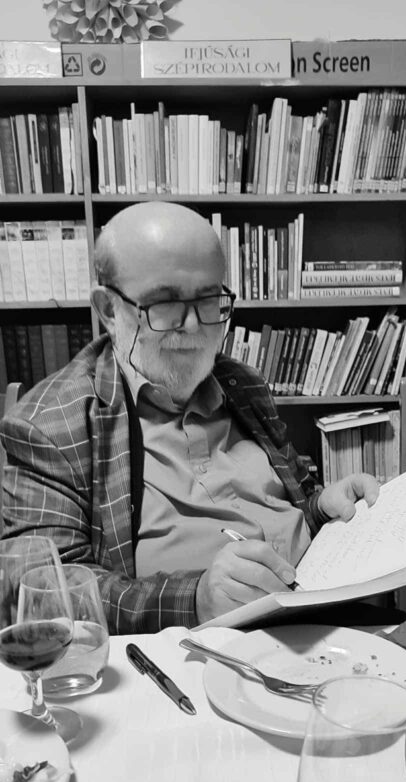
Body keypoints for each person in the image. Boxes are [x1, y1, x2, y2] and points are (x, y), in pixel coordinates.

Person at [0, 202, 379, 634]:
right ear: (108, 309)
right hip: (193, 651)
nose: (194, 326)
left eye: (208, 299)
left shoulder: (243, 385)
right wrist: (195, 600)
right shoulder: (51, 424)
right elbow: (41, 588)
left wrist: (322, 509)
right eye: (165, 303)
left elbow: (288, 512)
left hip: (323, 617)